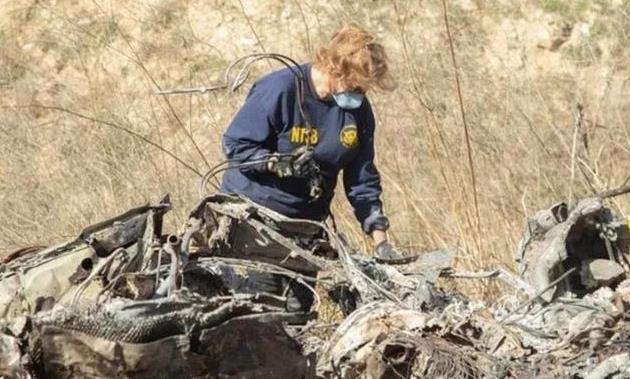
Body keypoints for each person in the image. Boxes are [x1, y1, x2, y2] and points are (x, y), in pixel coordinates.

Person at [220, 26, 401, 260]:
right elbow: (235, 146)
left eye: (364, 91)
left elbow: (362, 179)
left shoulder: (357, 111)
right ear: (336, 68)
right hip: (252, 221)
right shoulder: (280, 89)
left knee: (297, 298)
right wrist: (276, 164)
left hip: (305, 229)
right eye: (355, 87)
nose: (359, 95)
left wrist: (381, 242)